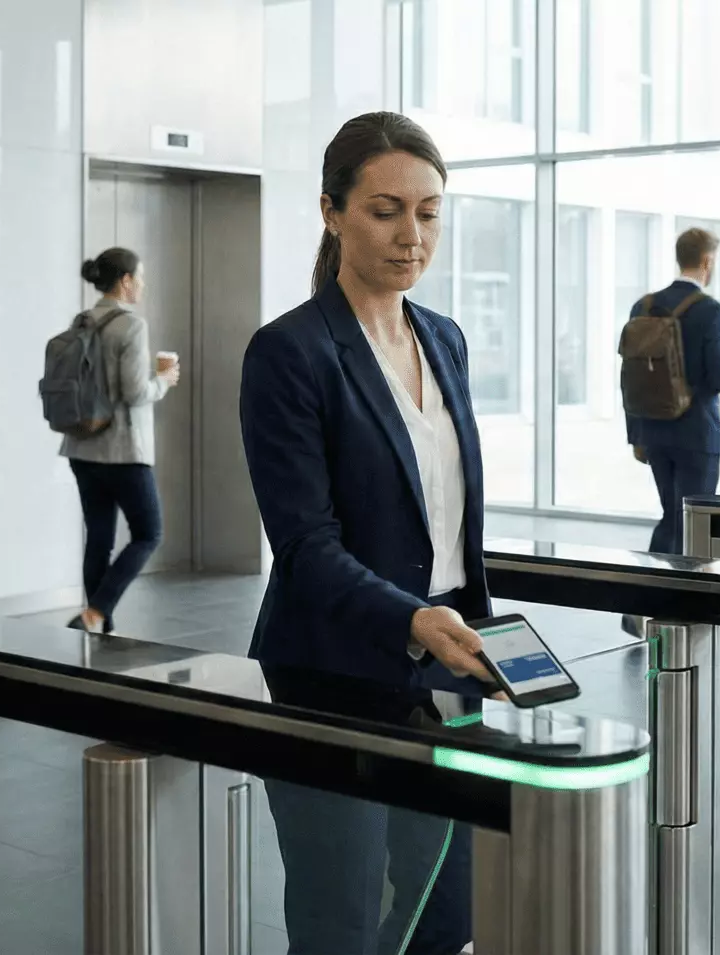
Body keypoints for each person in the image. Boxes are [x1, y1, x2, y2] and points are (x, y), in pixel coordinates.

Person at [239, 111, 492, 955]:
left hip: (449, 656)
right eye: (385, 210)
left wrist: (456, 619)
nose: (410, 235)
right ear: (331, 210)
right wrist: (410, 618)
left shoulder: (445, 338)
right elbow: (305, 544)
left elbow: (445, 512)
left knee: (445, 906)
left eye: (428, 212)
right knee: (338, 910)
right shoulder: (291, 352)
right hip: (334, 664)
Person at [62, 247, 180, 634]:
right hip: (124, 450)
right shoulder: (131, 325)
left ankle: (98, 624)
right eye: (140, 277)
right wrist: (163, 380)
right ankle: (96, 613)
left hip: (81, 446)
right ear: (125, 280)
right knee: (149, 532)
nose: (143, 285)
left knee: (99, 534)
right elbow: (133, 392)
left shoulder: (82, 320)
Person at [627, 228, 720, 556]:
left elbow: (631, 374)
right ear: (707, 260)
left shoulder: (643, 306)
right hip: (697, 435)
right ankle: (689, 600)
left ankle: (646, 595)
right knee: (695, 523)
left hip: (653, 431)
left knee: (670, 516)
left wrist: (636, 434)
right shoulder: (713, 311)